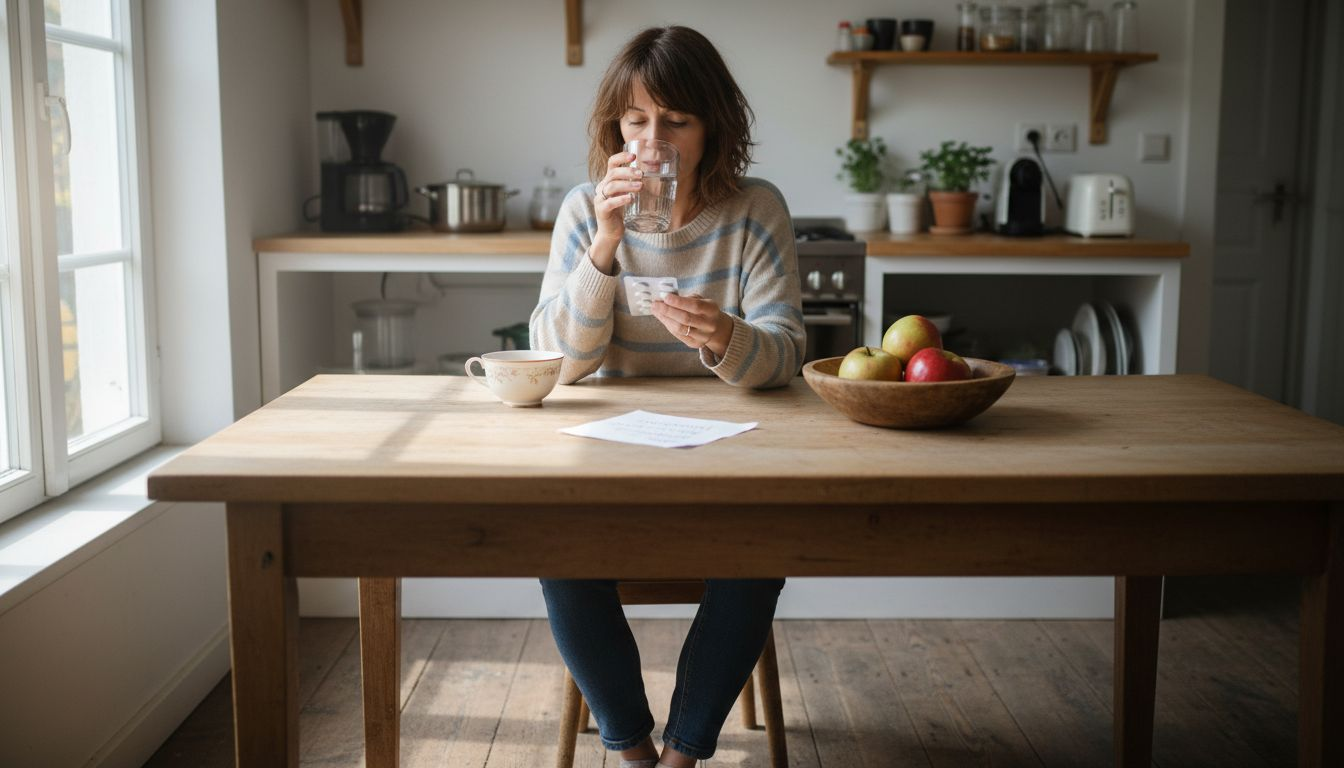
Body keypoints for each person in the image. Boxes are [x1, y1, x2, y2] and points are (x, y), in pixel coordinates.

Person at [528, 25, 804, 768]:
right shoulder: (587, 208)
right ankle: (632, 751)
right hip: (614, 457)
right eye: (636, 120)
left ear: (714, 126)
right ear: (615, 126)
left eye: (677, 121)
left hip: (732, 460)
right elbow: (557, 361)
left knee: (759, 554)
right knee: (556, 552)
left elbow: (786, 352)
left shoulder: (755, 211)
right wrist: (605, 247)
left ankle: (681, 756)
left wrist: (724, 336)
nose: (654, 142)